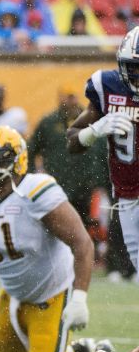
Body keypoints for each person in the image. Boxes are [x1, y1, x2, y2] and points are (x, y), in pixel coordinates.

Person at [0, 125, 115, 352]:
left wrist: (79, 298)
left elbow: (82, 243)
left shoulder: (36, 190)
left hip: (51, 292)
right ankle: (73, 351)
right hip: (13, 294)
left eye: (2, 158)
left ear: (19, 157)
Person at [67, 27, 139, 271]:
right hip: (127, 198)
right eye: (134, 67)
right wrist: (93, 131)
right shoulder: (108, 87)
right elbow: (72, 141)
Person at [29, 85, 106, 226]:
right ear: (60, 98)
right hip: (57, 188)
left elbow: (103, 151)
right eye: (68, 97)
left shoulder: (91, 119)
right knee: (58, 228)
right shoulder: (48, 123)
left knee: (88, 230)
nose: (73, 101)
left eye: (74, 96)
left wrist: (101, 181)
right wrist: (33, 176)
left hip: (86, 189)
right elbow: (31, 150)